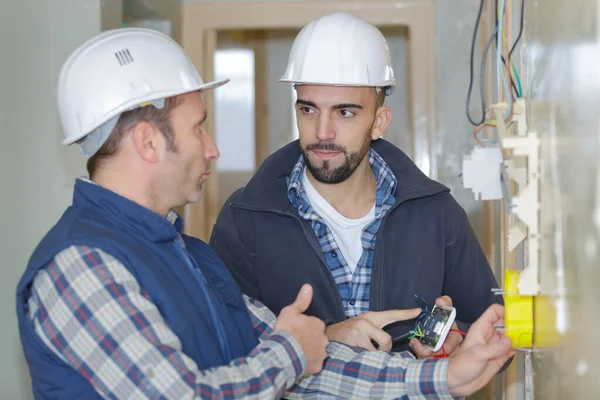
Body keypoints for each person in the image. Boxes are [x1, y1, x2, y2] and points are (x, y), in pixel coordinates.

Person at [15, 27, 514, 400]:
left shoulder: (189, 256)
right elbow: (206, 388)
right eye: (198, 129)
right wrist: (292, 351)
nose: (212, 150)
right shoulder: (80, 266)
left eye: (344, 111)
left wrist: (441, 376)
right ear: (149, 142)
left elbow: (312, 362)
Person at [210, 11, 502, 357]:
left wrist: (457, 343)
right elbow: (221, 349)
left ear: (378, 122)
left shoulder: (436, 214)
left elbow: (491, 329)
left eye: (344, 112)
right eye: (308, 110)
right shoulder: (245, 219)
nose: (322, 132)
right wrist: (327, 337)